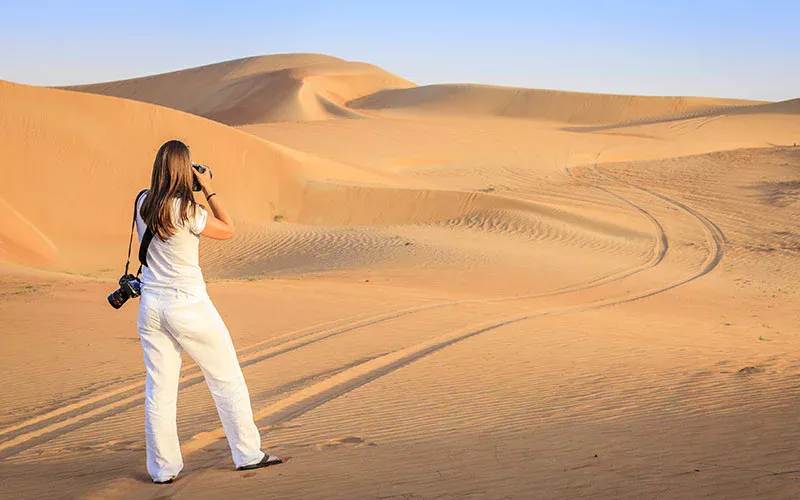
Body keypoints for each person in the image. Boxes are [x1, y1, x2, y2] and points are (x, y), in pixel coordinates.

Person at [135, 139, 281, 484]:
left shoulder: (142, 202)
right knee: (226, 378)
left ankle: (162, 470)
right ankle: (247, 454)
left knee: (160, 389)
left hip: (151, 306)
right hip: (187, 304)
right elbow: (228, 230)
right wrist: (209, 190)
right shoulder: (189, 211)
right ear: (185, 170)